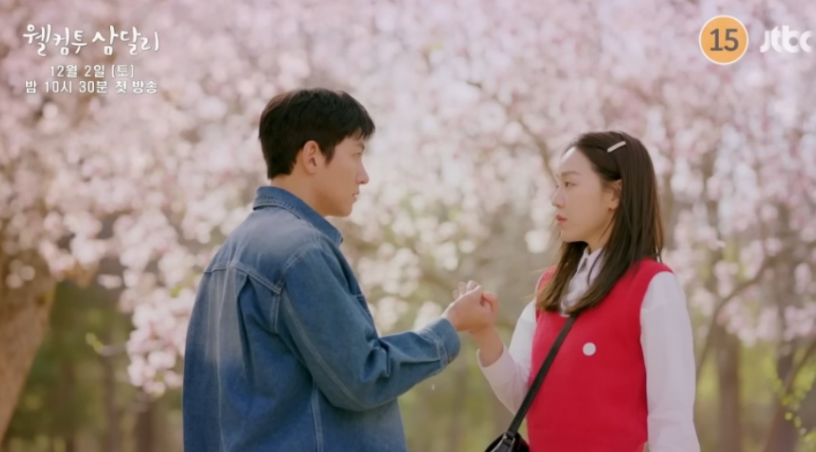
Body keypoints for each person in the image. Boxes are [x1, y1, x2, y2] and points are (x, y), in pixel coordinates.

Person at [182, 88, 495, 452]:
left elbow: (204, 409)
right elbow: (362, 377)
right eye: (356, 155)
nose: (364, 176)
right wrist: (449, 327)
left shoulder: (226, 256)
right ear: (312, 156)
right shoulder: (301, 251)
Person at [458, 131, 700, 452]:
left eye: (570, 184)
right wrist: (484, 332)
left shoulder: (653, 287)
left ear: (615, 194)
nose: (556, 199)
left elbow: (672, 422)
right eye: (557, 185)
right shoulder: (550, 286)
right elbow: (523, 397)